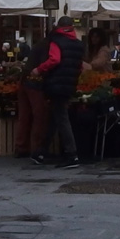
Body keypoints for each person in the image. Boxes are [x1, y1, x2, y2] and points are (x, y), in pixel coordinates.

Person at [31, 16, 84, 169]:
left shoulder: (56, 40)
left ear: (59, 26)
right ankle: (41, 152)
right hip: (69, 84)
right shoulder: (78, 44)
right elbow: (79, 66)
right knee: (55, 116)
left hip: (56, 84)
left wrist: (38, 69)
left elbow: (55, 60)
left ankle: (71, 154)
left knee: (61, 117)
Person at [15, 36, 51, 159]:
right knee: (39, 115)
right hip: (35, 84)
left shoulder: (39, 44)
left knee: (24, 116)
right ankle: (36, 148)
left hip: (24, 81)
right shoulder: (47, 47)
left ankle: (21, 147)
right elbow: (45, 66)